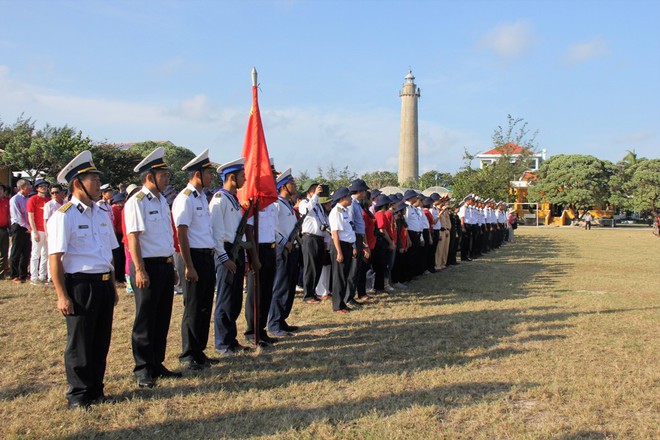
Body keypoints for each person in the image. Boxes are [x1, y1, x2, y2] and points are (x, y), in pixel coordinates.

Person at [47, 150, 119, 409]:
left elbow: (107, 254)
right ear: (78, 183)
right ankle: (78, 395)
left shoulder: (101, 213)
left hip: (102, 283)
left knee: (101, 340)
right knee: (80, 343)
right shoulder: (64, 215)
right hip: (79, 285)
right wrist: (61, 295)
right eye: (94, 180)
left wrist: (111, 285)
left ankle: (96, 389)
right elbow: (55, 258)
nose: (100, 185)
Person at [124, 147, 182, 388]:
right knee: (145, 319)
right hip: (146, 266)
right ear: (150, 177)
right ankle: (143, 368)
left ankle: (157, 363)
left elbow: (167, 235)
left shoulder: (161, 201)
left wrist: (172, 263)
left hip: (164, 265)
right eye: (163, 175)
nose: (167, 179)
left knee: (162, 317)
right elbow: (134, 238)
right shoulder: (136, 202)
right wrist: (139, 269)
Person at [172, 149, 218, 370]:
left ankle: (199, 351)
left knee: (204, 306)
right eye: (208, 173)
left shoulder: (201, 197)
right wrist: (188, 265)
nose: (211, 177)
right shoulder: (185, 198)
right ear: (197, 174)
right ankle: (188, 354)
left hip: (206, 256)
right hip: (192, 258)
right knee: (192, 306)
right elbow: (182, 233)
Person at [209, 157, 252, 355]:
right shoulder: (219, 199)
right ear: (232, 178)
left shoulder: (233, 199)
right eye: (242, 176)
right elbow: (216, 232)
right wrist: (224, 258)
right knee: (225, 299)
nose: (245, 179)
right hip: (225, 252)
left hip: (236, 250)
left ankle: (231, 339)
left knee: (235, 299)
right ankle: (222, 342)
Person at [244, 158, 280, 347]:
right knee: (254, 293)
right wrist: (254, 257)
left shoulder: (271, 203)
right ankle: (252, 331)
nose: (274, 180)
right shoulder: (255, 202)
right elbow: (249, 230)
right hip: (257, 250)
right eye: (272, 176)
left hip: (270, 249)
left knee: (266, 291)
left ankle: (262, 329)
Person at [269, 168, 301, 337]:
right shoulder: (276, 204)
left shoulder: (287, 204)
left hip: (292, 247)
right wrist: (284, 242)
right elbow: (272, 228)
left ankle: (282, 319)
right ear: (283, 186)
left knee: (289, 285)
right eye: (291, 183)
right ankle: (274, 323)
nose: (294, 185)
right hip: (283, 249)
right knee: (281, 286)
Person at [298, 180, 330, 304]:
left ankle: (314, 292)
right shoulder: (304, 203)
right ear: (309, 191)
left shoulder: (318, 205)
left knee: (317, 267)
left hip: (320, 238)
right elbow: (306, 210)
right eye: (315, 189)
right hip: (309, 238)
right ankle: (308, 295)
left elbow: (322, 220)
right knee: (310, 267)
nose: (319, 191)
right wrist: (315, 196)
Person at [329, 187, 356, 314]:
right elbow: (335, 234)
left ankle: (342, 303)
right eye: (348, 197)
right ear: (342, 198)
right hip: (340, 246)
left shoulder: (344, 211)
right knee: (339, 277)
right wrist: (339, 252)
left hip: (348, 245)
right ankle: (337, 305)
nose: (350, 198)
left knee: (344, 276)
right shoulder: (336, 212)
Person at [27, 179, 51, 285]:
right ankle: (34, 276)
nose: (44, 188)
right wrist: (35, 231)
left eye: (45, 186)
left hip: (47, 231)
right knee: (36, 254)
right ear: (37, 188)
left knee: (45, 254)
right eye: (41, 186)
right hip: (37, 230)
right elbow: (30, 217)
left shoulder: (48, 200)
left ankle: (42, 275)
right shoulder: (33, 199)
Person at [9, 179, 33, 283]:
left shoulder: (28, 199)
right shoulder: (15, 199)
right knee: (16, 251)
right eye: (28, 185)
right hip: (18, 227)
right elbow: (17, 216)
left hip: (28, 227)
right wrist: (28, 227)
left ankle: (23, 274)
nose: (30, 188)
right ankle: (14, 275)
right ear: (22, 187)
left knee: (26, 251)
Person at [0, 184, 11, 279]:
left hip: (4, 229)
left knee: (4, 251)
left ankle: (2, 272)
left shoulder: (7, 200)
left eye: (1, 190)